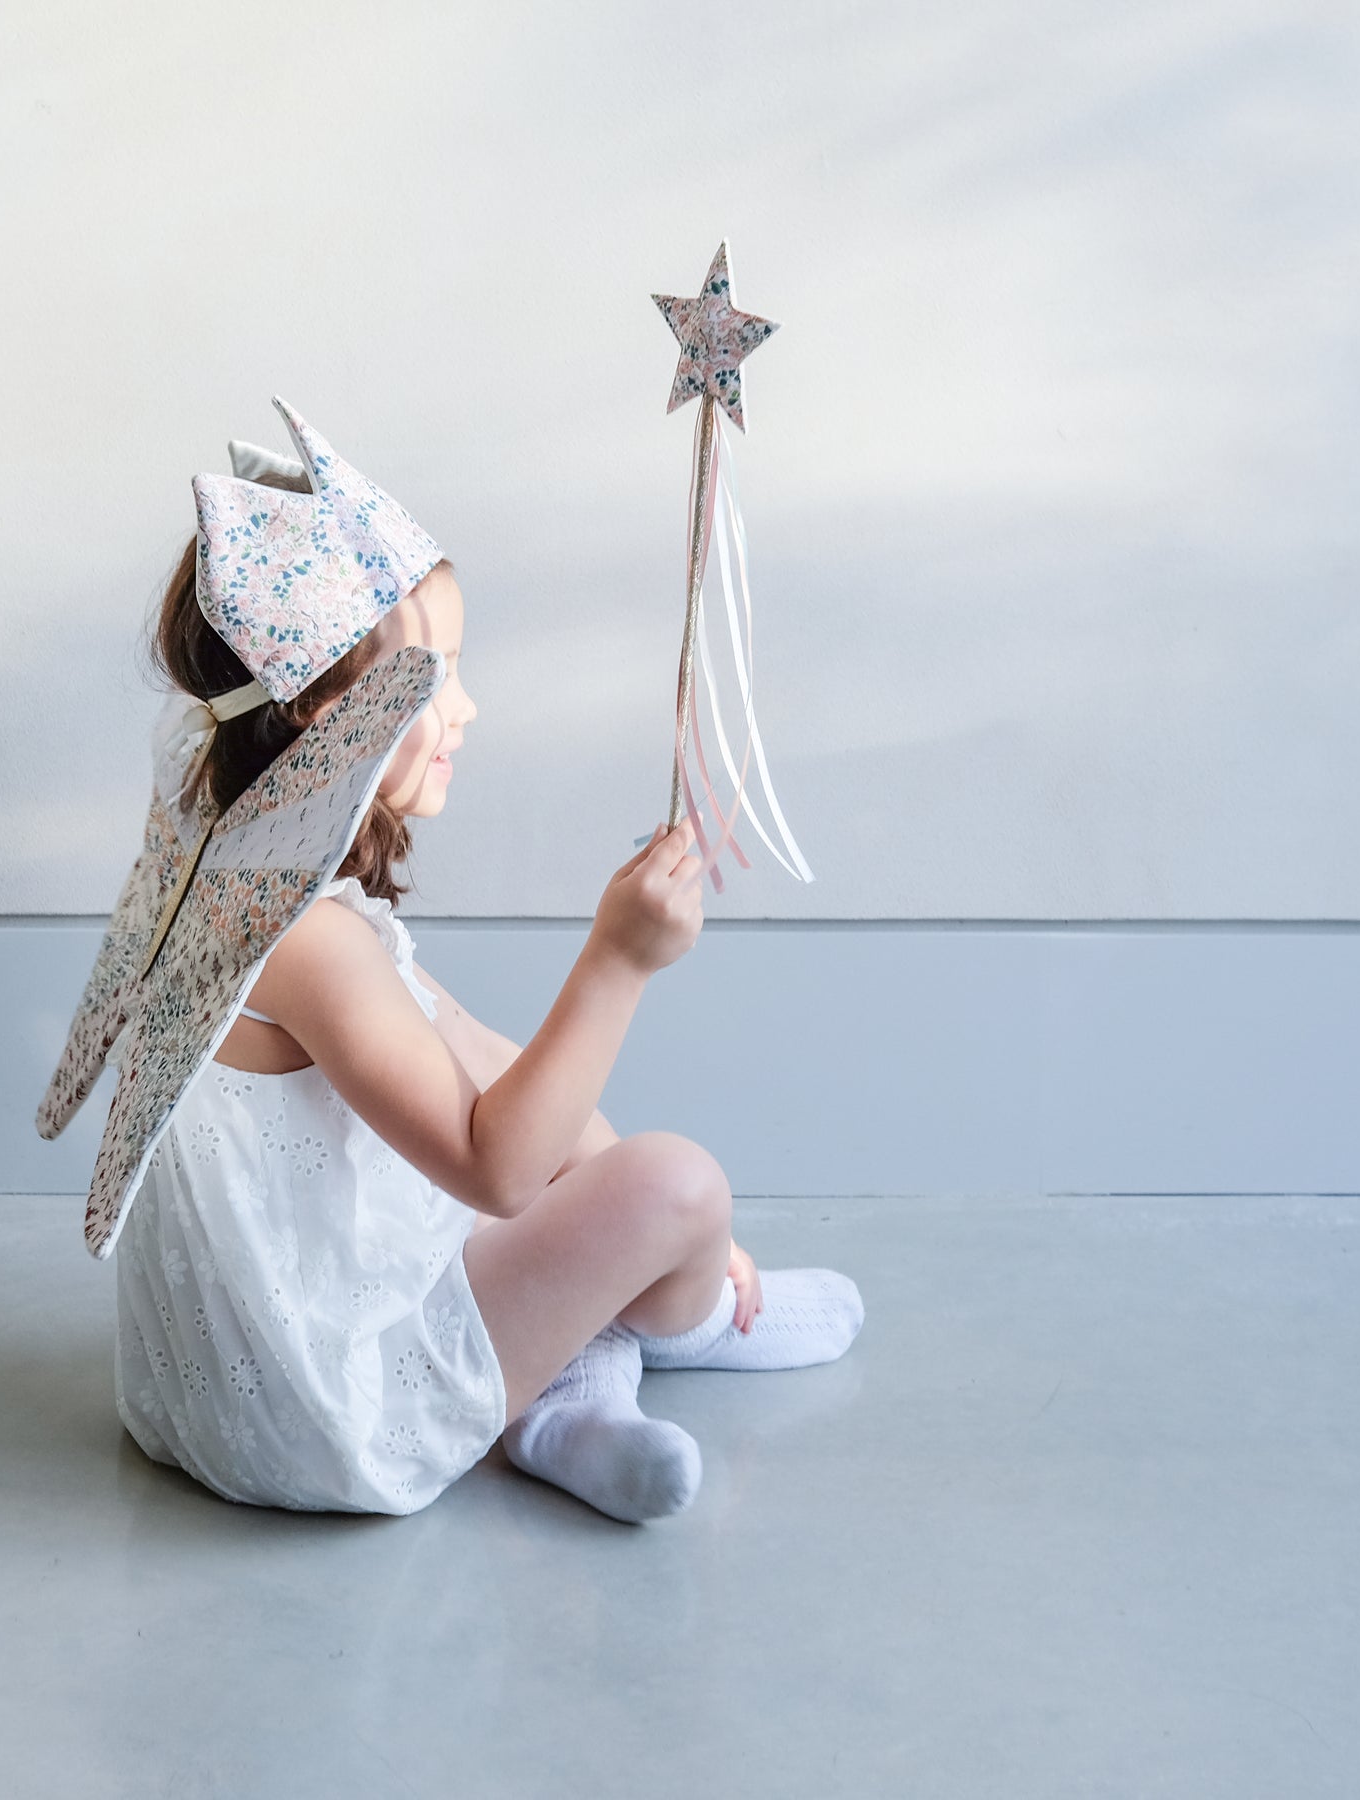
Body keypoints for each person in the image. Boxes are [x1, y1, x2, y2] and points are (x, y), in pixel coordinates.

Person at [54, 399, 864, 1526]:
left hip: (215, 1394)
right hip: (333, 1419)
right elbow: (496, 1172)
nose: (468, 708)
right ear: (325, 720)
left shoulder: (232, 859)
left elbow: (477, 1057)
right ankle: (681, 1323)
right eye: (435, 681)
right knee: (679, 1185)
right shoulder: (309, 944)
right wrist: (618, 963)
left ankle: (571, 1406)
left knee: (565, 1153)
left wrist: (592, 1189)